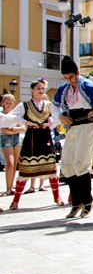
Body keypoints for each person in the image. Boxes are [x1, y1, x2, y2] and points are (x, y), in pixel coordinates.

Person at [51, 57, 93, 218]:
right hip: (73, 126)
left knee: (81, 163)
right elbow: (54, 105)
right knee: (67, 164)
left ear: (77, 73)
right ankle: (76, 201)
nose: (69, 80)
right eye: (66, 78)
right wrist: (61, 117)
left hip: (88, 125)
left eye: (71, 77)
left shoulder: (87, 85)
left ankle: (88, 200)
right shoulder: (64, 88)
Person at [5, 80, 63, 210]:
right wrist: (25, 122)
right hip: (31, 139)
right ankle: (15, 201)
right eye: (38, 88)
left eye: (42, 88)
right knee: (26, 171)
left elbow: (59, 116)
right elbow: (11, 117)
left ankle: (57, 197)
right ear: (31, 90)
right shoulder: (24, 105)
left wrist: (50, 123)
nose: (41, 91)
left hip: (45, 137)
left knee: (51, 169)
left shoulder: (49, 104)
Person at [1, 94, 24, 196]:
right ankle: (8, 188)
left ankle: (11, 187)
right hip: (5, 139)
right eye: (7, 102)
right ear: (3, 103)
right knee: (9, 163)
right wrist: (14, 130)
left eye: (11, 102)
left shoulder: (16, 114)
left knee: (15, 164)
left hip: (17, 139)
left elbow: (23, 128)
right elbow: (3, 129)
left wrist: (11, 129)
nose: (9, 103)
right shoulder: (1, 115)